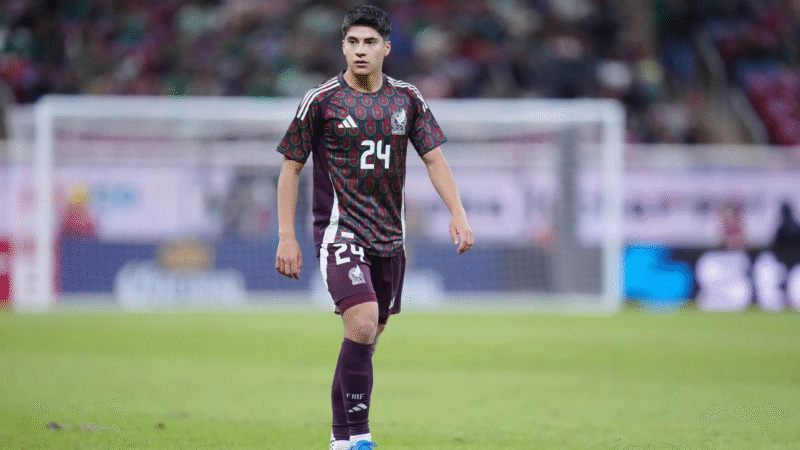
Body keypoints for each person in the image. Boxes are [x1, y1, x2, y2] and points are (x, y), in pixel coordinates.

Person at [274, 5, 474, 450]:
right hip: (339, 232)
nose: (360, 50)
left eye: (369, 42)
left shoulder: (407, 99)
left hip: (390, 238)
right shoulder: (321, 100)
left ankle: (339, 439)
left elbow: (434, 159)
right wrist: (287, 236)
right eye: (352, 42)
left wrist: (457, 212)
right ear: (343, 46)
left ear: (386, 48)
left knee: (363, 339)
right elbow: (291, 168)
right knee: (363, 323)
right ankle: (361, 439)